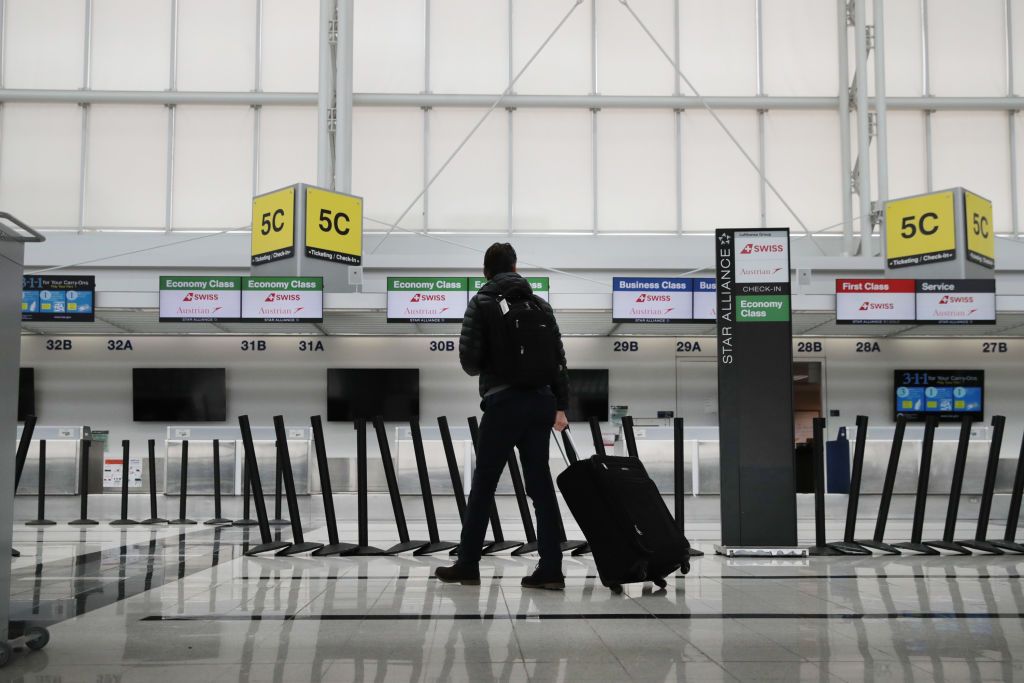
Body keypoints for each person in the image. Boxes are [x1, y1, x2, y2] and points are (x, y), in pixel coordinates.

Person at [435, 243, 571, 590]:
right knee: (540, 486)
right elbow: (559, 360)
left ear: (486, 271)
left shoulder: (482, 301)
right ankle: (551, 568)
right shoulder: (541, 304)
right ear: (515, 266)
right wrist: (560, 404)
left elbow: (469, 362)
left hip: (503, 402)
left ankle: (467, 564)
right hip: (541, 402)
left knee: (484, 485)